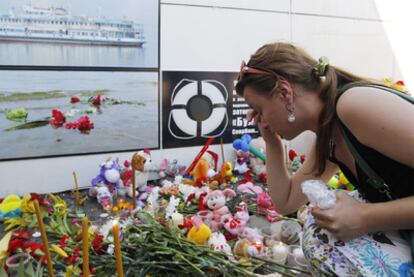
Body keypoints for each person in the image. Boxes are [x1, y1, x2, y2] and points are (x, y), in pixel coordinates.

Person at [235, 42, 414, 276]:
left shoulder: (354, 105)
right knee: (317, 232)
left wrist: (366, 217)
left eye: (259, 109)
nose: (259, 120)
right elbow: (287, 201)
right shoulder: (329, 133)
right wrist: (271, 143)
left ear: (284, 93)